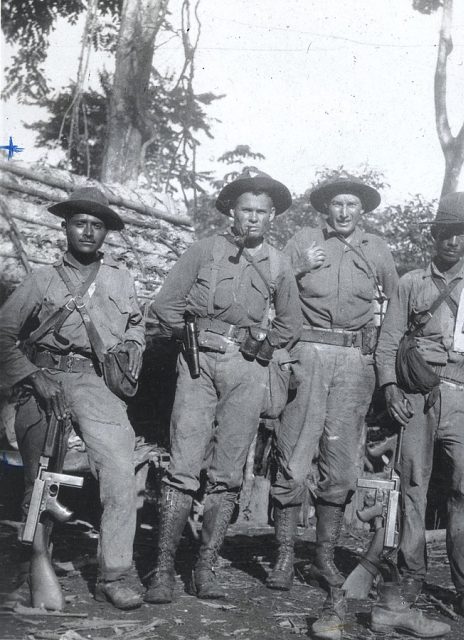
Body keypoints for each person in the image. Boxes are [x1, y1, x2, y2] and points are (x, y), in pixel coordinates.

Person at [146, 168, 302, 604]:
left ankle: (205, 567)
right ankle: (161, 571)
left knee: (229, 472)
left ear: (272, 217)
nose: (252, 218)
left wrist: (263, 345)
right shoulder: (203, 250)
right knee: (182, 466)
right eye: (245, 210)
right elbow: (165, 305)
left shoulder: (278, 263)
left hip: (247, 369)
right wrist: (189, 339)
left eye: (261, 212)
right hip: (197, 365)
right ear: (231, 212)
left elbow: (290, 323)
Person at [0, 187, 146, 610]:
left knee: (121, 471)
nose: (88, 231)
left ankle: (114, 575)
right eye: (80, 223)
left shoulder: (120, 279)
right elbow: (4, 333)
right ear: (65, 227)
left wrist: (133, 347)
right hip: (45, 380)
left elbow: (136, 323)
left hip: (97, 384)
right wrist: (33, 376)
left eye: (97, 226)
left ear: (106, 234)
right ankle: (35, 562)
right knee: (42, 479)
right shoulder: (41, 279)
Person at [375, 191, 464, 621]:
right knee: (412, 484)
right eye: (446, 233)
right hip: (415, 394)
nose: (452, 242)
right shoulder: (411, 282)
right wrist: (391, 390)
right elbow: (387, 343)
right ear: (434, 235)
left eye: (461, 234)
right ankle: (412, 575)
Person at [267, 176, 398, 591]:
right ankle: (285, 558)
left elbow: (398, 304)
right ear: (326, 209)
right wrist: (299, 266)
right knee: (294, 454)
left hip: (355, 361)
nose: (343, 212)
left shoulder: (376, 248)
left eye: (352, 205)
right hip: (308, 352)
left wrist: (382, 352)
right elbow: (270, 284)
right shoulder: (303, 238)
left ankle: (323, 559)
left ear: (362, 211)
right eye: (337, 204)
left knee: (341, 464)